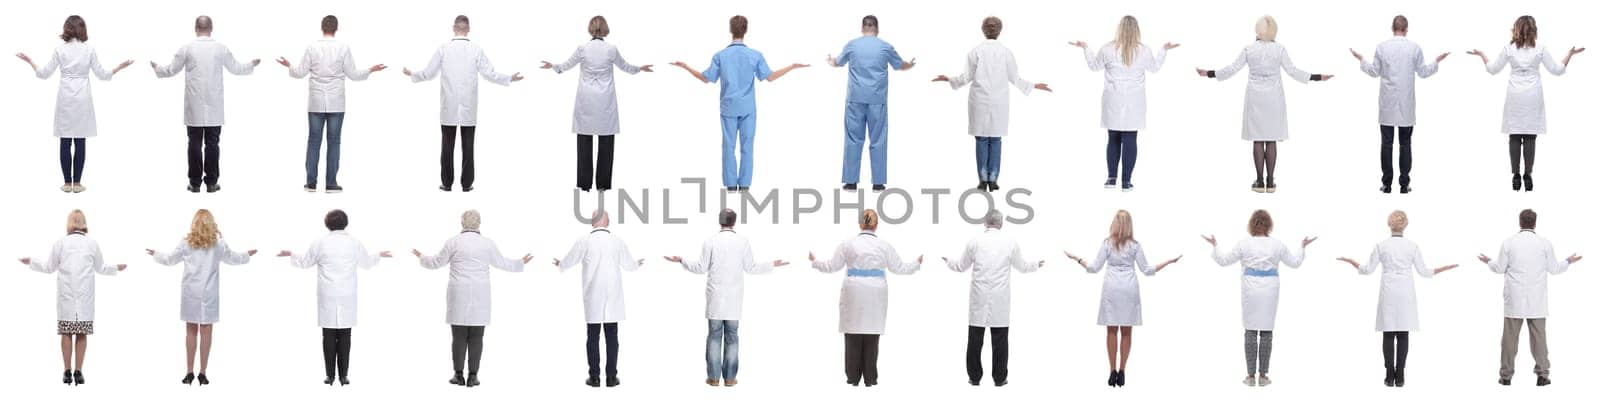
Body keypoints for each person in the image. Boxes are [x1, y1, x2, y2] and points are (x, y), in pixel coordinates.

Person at [669, 15, 808, 193]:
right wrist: (792, 67)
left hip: (728, 108)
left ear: (730, 30)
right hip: (748, 108)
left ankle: (730, 186)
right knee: (747, 146)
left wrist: (686, 67)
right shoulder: (755, 55)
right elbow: (770, 77)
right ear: (746, 30)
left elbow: (706, 78)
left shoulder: (720, 56)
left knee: (728, 146)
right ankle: (744, 185)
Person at [1196, 15, 1332, 193]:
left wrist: (1210, 73)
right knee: (1271, 138)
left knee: (1258, 139)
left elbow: (1231, 69)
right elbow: (1293, 71)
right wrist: (1316, 77)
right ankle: (1271, 181)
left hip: (1255, 98)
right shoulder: (1280, 49)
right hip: (1274, 98)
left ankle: (1259, 182)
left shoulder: (1249, 49)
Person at [663, 209, 788, 387]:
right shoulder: (743, 242)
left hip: (715, 299)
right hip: (734, 300)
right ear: (734, 222)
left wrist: (682, 260)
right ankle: (730, 378)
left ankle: (713, 378)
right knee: (732, 337)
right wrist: (772, 265)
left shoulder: (710, 241)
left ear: (719, 221)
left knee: (714, 336)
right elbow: (751, 267)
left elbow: (700, 268)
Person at [1333, 210, 1458, 387]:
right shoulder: (1412, 246)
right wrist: (1442, 268)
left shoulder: (1381, 245)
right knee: (1403, 332)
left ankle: (1389, 375)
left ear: (1389, 224)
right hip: (1406, 290)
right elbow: (1424, 272)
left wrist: (1352, 262)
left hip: (1389, 290)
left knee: (1389, 332)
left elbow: (1367, 269)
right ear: (1405, 224)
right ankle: (1400, 376)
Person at [411, 210, 533, 388]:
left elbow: (436, 263)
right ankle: (473, 376)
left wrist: (421, 256)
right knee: (477, 336)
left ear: (461, 223)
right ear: (479, 223)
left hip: (458, 293)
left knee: (458, 337)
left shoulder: (453, 242)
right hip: (480, 294)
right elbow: (502, 263)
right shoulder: (487, 244)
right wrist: (520, 262)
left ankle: (458, 375)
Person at [404, 15, 524, 193]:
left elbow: (429, 73)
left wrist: (413, 73)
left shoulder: (443, 49)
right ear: (468, 29)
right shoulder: (476, 49)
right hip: (468, 107)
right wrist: (509, 79)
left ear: (454, 28)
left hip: (448, 107)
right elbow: (489, 73)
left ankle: (447, 184)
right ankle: (466, 185)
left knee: (447, 147)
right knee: (468, 147)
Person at [16, 15, 134, 193]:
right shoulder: (89, 50)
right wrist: (119, 67)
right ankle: (77, 184)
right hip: (83, 98)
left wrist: (30, 61)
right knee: (80, 140)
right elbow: (103, 75)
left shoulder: (59, 50)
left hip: (65, 97)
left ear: (66, 29)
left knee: (65, 140)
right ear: (83, 29)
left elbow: (43, 73)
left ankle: (66, 183)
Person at [1467, 16, 1584, 192]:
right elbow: (1557, 70)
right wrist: (1570, 55)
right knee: (1530, 137)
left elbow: (1492, 69)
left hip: (1515, 96)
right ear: (1534, 30)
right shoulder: (1540, 48)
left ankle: (1515, 176)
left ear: (1516, 29)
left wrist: (1482, 55)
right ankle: (1528, 175)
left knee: (1514, 136)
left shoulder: (1509, 48)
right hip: (1532, 96)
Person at [934, 16, 1051, 193]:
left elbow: (965, 78)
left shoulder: (976, 52)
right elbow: (1015, 77)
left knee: (982, 139)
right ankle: (993, 180)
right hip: (998, 101)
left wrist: (949, 79)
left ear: (983, 29)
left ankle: (983, 180)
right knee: (995, 139)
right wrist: (1033, 85)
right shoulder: (1005, 52)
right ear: (999, 30)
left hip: (980, 100)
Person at [1065, 210, 1180, 387]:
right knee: (1126, 332)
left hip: (1111, 289)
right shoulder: (1135, 245)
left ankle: (1112, 371)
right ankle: (1122, 371)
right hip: (1129, 289)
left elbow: (1094, 268)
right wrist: (1168, 262)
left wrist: (1077, 259)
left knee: (1111, 331)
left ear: (1114, 223)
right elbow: (1147, 270)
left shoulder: (1107, 244)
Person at [277, 209, 393, 386]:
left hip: (328, 294)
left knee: (328, 336)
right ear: (346, 223)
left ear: (327, 223)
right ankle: (344, 376)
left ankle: (330, 376)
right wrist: (379, 255)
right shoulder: (354, 242)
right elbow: (367, 263)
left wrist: (291, 254)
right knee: (346, 336)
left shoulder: (320, 242)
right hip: (347, 294)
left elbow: (306, 262)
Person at [808, 209, 922, 387]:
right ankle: (870, 378)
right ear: (876, 225)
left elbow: (831, 266)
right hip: (876, 291)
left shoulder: (848, 243)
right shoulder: (884, 246)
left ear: (860, 223)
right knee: (871, 334)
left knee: (853, 333)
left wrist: (815, 262)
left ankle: (852, 377)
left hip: (854, 289)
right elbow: (900, 268)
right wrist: (917, 263)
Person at [540, 16, 653, 193]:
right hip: (605, 100)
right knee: (606, 142)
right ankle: (602, 185)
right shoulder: (611, 49)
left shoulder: (582, 49)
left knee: (584, 141)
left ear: (590, 29)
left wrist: (553, 66)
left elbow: (565, 66)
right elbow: (626, 67)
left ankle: (585, 185)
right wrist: (640, 68)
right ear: (606, 28)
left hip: (586, 100)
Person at [1202, 209, 1315, 387]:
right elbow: (1295, 263)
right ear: (1269, 224)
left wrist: (1215, 245)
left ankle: (1250, 376)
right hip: (1270, 290)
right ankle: (1263, 376)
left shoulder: (1244, 244)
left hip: (1251, 290)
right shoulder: (1277, 244)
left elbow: (1223, 260)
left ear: (1252, 224)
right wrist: (1302, 247)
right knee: (1267, 331)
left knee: (1251, 329)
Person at [278, 15, 387, 194]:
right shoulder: (343, 48)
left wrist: (289, 66)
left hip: (316, 101)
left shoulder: (312, 47)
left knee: (313, 142)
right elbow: (353, 74)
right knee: (334, 142)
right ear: (336, 29)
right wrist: (371, 70)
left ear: (322, 27)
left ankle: (310, 183)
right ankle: (331, 183)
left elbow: (299, 73)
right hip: (336, 102)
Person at [151, 15, 259, 193]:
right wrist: (251, 65)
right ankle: (211, 183)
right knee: (213, 144)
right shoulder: (220, 49)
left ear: (196, 28)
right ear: (211, 28)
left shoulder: (187, 49)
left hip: (194, 104)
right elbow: (236, 68)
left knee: (193, 143)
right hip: (214, 104)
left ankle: (194, 183)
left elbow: (171, 70)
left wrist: (157, 68)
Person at [146, 209, 255, 385]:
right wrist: (246, 255)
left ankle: (189, 372)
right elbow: (233, 258)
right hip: (209, 294)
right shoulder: (218, 244)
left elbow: (169, 259)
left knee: (190, 331)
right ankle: (202, 373)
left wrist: (156, 254)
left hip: (190, 293)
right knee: (206, 331)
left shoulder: (187, 243)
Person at [18, 209, 127, 386]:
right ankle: (79, 372)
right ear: (84, 223)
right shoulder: (92, 244)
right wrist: (117, 267)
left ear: (69, 223)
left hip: (66, 297)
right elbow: (101, 268)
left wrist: (31, 261)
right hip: (85, 298)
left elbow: (48, 267)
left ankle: (67, 372)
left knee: (67, 332)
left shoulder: (60, 243)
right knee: (82, 333)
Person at [1070, 16, 1178, 192]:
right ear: (1137, 30)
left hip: (1113, 99)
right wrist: (1163, 50)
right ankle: (1126, 182)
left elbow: (1094, 66)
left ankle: (1111, 179)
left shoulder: (1108, 49)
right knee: (1130, 138)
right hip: (1134, 101)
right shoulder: (1143, 51)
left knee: (1113, 138)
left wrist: (1086, 48)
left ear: (1119, 29)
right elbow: (1155, 68)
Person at [1476, 209, 1582, 386]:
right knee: (1539, 339)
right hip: (1537, 300)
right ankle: (1542, 375)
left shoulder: (1509, 243)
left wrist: (1489, 261)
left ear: (1520, 222)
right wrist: (1568, 262)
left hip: (1514, 300)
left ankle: (1506, 377)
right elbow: (1555, 269)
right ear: (1535, 223)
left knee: (1509, 340)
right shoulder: (1544, 244)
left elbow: (1500, 268)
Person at [943, 210, 1044, 387]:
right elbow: (1022, 266)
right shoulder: (1010, 242)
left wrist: (948, 261)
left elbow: (960, 266)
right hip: (1000, 298)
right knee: (1000, 341)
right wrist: (1036, 265)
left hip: (978, 297)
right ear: (1001, 223)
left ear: (985, 223)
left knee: (975, 340)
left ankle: (974, 378)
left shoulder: (974, 241)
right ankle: (999, 378)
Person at [1350, 16, 1447, 194]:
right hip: (1406, 104)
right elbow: (1424, 72)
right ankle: (1404, 185)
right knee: (1405, 144)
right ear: (1407, 29)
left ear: (1392, 28)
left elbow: (1374, 72)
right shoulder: (1414, 48)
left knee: (1386, 144)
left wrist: (1361, 60)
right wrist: (1436, 62)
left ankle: (1386, 185)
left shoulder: (1382, 47)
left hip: (1387, 103)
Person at [554, 209, 644, 388]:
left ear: (592, 222)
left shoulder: (584, 241)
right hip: (613, 298)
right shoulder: (617, 241)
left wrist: (561, 264)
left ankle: (594, 377)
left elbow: (570, 259)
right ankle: (611, 377)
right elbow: (629, 264)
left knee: (592, 337)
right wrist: (637, 264)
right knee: (612, 337)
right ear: (607, 222)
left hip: (593, 296)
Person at [828, 15, 916, 193]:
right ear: (877, 28)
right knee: (878, 140)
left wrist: (830, 61)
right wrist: (911, 65)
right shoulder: (885, 46)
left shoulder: (852, 45)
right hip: (877, 100)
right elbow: (900, 66)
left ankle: (851, 182)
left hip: (855, 99)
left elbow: (837, 62)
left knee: (853, 139)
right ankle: (878, 183)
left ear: (862, 28)